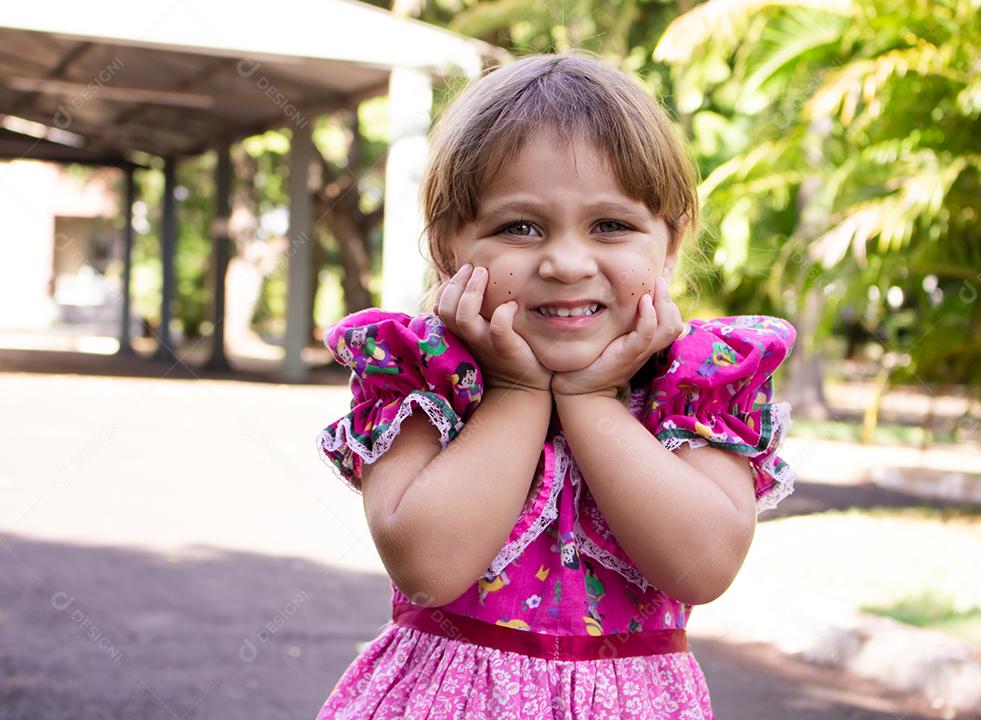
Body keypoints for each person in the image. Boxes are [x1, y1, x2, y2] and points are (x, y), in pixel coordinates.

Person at [313, 50, 797, 719]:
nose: (567, 262)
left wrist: (592, 401)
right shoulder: (423, 377)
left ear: (672, 241)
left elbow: (704, 567)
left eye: (611, 225)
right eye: (520, 226)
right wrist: (516, 391)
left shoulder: (693, 385)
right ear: (452, 244)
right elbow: (426, 568)